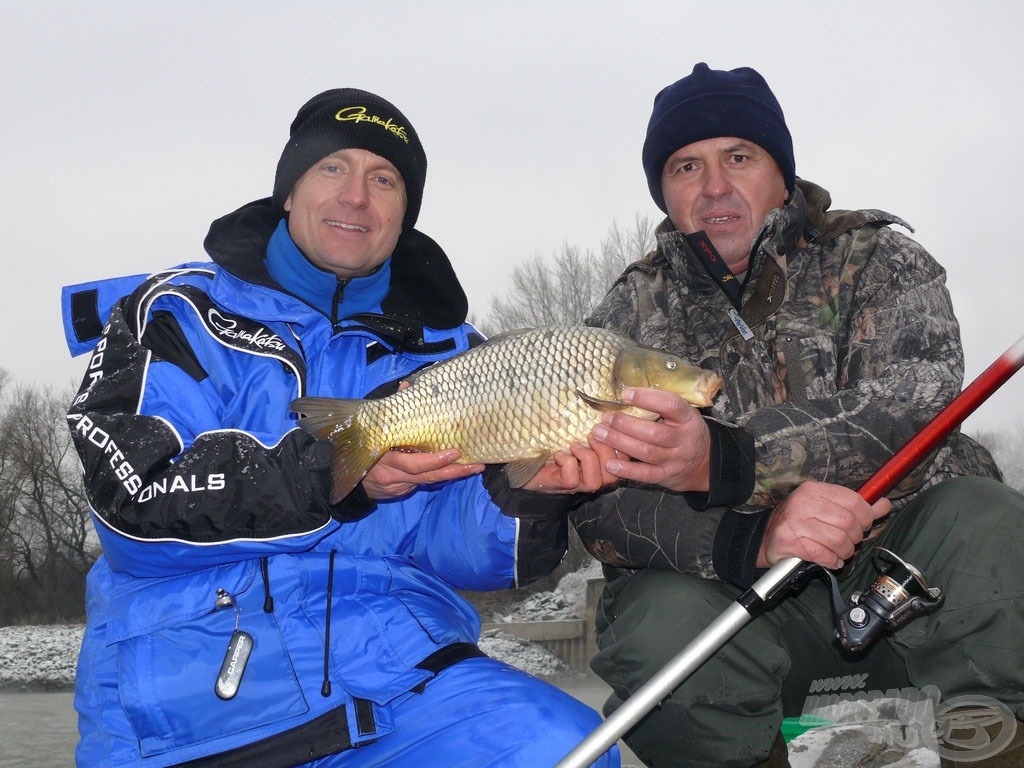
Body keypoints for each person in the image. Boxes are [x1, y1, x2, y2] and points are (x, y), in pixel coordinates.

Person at [61, 88, 620, 767]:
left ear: (403, 213)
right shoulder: (174, 313)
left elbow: (464, 555)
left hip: (402, 681)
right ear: (289, 191)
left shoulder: (453, 356)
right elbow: (133, 509)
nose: (358, 196)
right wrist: (330, 473)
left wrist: (532, 488)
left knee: (573, 749)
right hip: (190, 697)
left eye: (384, 179)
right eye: (333, 168)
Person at [569, 63, 1024, 768]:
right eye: (687, 166)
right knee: (652, 622)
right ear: (664, 190)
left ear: (781, 173)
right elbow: (599, 502)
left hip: (897, 566)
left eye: (739, 158)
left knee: (987, 521)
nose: (714, 186)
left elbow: (916, 393)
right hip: (737, 593)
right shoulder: (624, 316)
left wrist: (730, 460)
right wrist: (749, 535)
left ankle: (988, 745)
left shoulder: (876, 256)